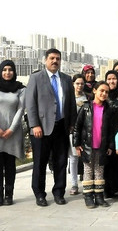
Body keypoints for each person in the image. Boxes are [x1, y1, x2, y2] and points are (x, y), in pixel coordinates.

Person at [25, 48, 77, 207]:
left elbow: (71, 104)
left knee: (61, 161)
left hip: (61, 126)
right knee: (40, 162)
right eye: (52, 58)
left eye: (58, 59)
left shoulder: (66, 79)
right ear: (45, 60)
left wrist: (71, 124)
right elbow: (30, 103)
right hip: (41, 128)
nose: (55, 61)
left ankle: (59, 192)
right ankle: (39, 194)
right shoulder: (35, 78)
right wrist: (34, 125)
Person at [0, 60, 25, 207]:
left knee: (10, 165)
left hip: (12, 133)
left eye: (10, 70)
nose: (7, 73)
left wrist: (11, 130)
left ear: (14, 71)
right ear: (0, 71)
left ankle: (9, 195)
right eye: (4, 70)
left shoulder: (20, 88)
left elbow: (20, 110)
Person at [73, 81, 113, 208]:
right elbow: (77, 127)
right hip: (87, 146)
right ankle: (88, 197)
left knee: (99, 171)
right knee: (88, 171)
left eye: (106, 92)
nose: (104, 94)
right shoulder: (86, 107)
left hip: (102, 147)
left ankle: (99, 197)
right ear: (95, 91)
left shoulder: (108, 109)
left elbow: (111, 130)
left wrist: (110, 146)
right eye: (101, 90)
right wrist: (77, 144)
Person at [69, 74, 88, 196]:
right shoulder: (69, 98)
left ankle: (87, 182)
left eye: (81, 83)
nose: (79, 86)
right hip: (72, 131)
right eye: (77, 83)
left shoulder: (88, 97)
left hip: (85, 132)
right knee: (73, 158)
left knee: (86, 158)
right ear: (73, 84)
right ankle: (74, 184)